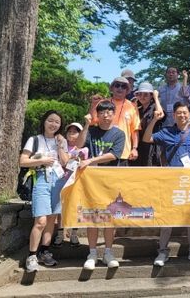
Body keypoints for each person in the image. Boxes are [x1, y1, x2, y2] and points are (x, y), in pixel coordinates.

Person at [141, 102, 190, 266]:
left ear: (189, 115)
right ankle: (162, 252)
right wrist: (154, 120)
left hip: (189, 182)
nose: (182, 115)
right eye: (179, 113)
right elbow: (147, 138)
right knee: (168, 218)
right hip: (170, 182)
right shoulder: (166, 132)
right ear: (174, 115)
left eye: (185, 112)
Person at [77, 100, 125, 270]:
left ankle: (108, 252)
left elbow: (114, 155)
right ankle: (92, 253)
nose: (106, 116)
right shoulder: (91, 131)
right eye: (102, 113)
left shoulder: (119, 134)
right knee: (92, 215)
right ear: (97, 115)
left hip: (111, 180)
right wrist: (86, 125)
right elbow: (79, 144)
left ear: (114, 114)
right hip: (91, 181)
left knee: (110, 217)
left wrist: (90, 160)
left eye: (109, 112)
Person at [19, 110, 69, 273]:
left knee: (51, 220)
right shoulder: (34, 140)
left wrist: (60, 145)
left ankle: (44, 252)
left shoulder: (61, 140)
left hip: (58, 180)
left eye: (57, 122)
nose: (53, 124)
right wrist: (42, 160)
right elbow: (22, 161)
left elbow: (65, 162)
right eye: (50, 120)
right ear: (44, 121)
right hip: (41, 178)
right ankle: (32, 256)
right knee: (40, 221)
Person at [90, 76, 140, 166]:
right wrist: (94, 105)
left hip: (123, 153)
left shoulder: (132, 106)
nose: (120, 88)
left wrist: (134, 148)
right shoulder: (103, 103)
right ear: (112, 88)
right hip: (102, 151)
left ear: (127, 90)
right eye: (117, 85)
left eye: (123, 86)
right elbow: (92, 122)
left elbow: (135, 129)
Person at [53, 122, 83, 248]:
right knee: (61, 208)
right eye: (69, 132)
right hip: (61, 180)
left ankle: (74, 234)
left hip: (76, 182)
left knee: (76, 208)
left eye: (75, 132)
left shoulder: (83, 149)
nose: (71, 134)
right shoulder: (61, 146)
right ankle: (60, 234)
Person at [133, 82, 164, 166]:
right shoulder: (137, 110)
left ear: (151, 96)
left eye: (146, 94)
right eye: (140, 94)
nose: (142, 97)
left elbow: (160, 114)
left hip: (151, 146)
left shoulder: (155, 107)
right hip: (139, 146)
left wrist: (156, 98)